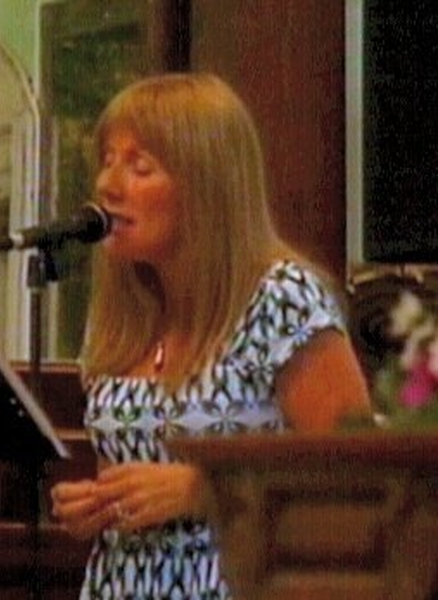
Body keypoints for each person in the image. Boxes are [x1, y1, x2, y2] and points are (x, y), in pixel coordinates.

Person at [50, 73, 371, 599]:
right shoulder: (121, 315)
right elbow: (133, 464)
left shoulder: (281, 299)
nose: (108, 186)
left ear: (205, 186)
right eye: (107, 159)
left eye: (140, 166)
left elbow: (356, 480)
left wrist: (207, 490)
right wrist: (97, 504)